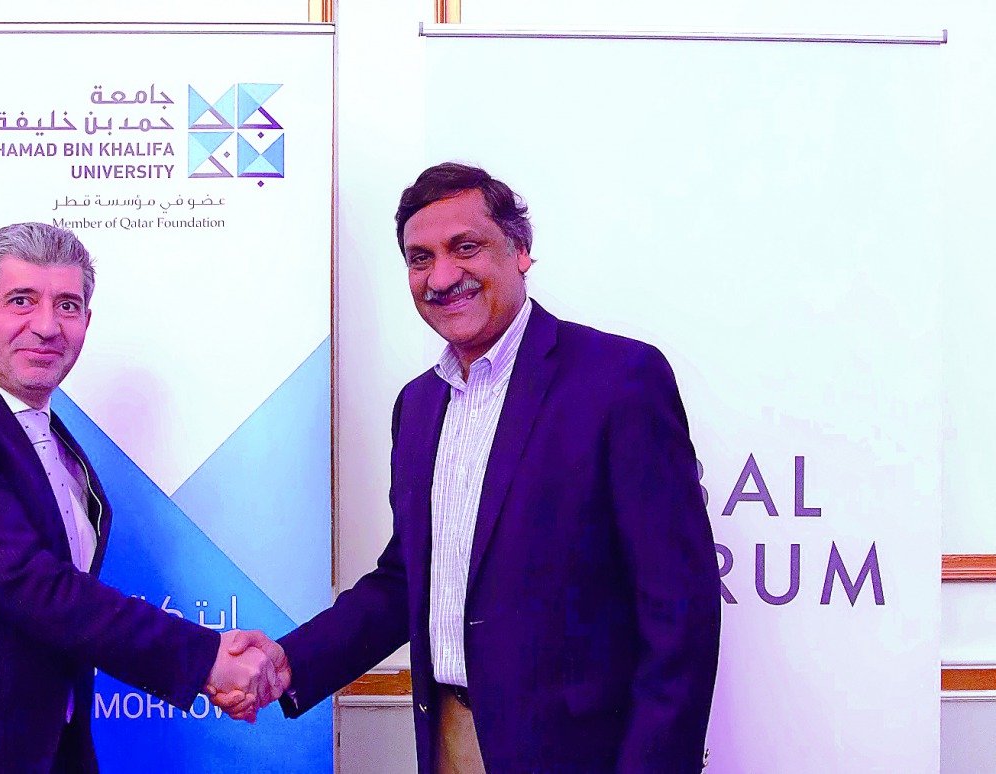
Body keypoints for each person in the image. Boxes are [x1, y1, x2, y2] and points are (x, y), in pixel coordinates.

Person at [226, 162, 721, 772]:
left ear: (521, 251)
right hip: (448, 739)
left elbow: (680, 612)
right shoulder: (418, 405)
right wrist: (287, 663)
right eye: (420, 258)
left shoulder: (618, 380)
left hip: (582, 754)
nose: (442, 276)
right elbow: (408, 580)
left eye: (466, 248)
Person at [0, 223, 283, 774]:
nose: (46, 326)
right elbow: (29, 583)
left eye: (67, 305)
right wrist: (204, 658)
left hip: (44, 747)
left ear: (86, 322)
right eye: (21, 301)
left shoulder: (47, 434)